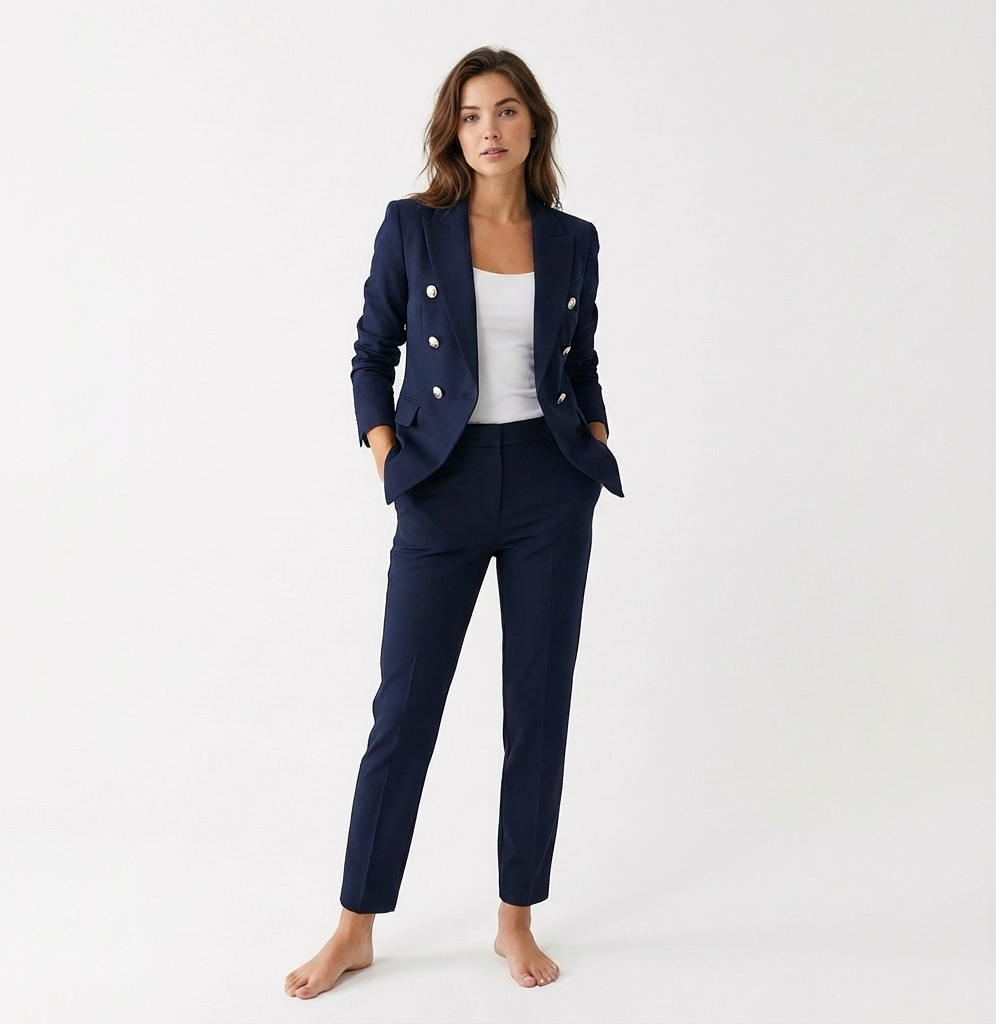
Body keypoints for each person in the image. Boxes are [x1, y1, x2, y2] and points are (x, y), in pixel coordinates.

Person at [285, 45, 623, 999]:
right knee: (405, 710)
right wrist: (387, 454)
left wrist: (595, 433)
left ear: (532, 124)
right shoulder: (413, 227)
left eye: (506, 110)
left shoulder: (574, 240)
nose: (489, 129)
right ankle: (355, 926)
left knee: (538, 709)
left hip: (551, 485)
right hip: (443, 481)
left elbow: (580, 357)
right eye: (472, 115)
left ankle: (515, 921)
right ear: (453, 132)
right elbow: (370, 352)